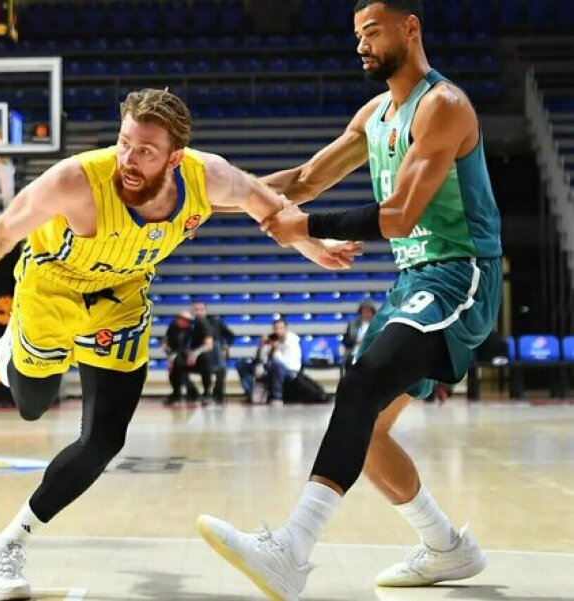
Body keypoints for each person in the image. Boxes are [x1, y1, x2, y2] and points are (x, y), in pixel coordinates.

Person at [0, 88, 360, 600]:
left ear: (175, 158)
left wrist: (313, 247)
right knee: (33, 406)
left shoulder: (209, 177)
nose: (129, 158)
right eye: (124, 143)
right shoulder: (77, 180)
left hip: (121, 296)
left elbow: (271, 206)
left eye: (145, 150)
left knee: (104, 440)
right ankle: (12, 347)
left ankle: (9, 543)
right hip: (51, 289)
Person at [196, 1, 502, 598]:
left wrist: (304, 226)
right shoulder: (375, 114)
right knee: (367, 428)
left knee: (361, 385)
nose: (361, 44)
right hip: (413, 281)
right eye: (357, 34)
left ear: (410, 28)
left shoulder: (443, 106)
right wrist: (205, 204)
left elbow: (399, 215)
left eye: (372, 31)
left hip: (459, 274)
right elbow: (305, 180)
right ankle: (445, 546)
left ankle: (291, 550)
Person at [237, 317, 302, 402]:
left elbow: (288, 363)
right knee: (242, 364)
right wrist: (262, 346)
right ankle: (251, 394)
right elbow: (261, 358)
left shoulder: (292, 342)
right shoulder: (273, 339)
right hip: (269, 367)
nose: (278, 331)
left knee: (275, 365)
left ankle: (277, 396)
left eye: (281, 328)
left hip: (290, 370)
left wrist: (275, 350)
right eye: (276, 329)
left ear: (285, 329)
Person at [192, 300, 234, 403]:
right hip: (197, 355)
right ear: (192, 311)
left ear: (205, 311)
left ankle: (217, 394)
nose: (199, 312)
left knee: (220, 364)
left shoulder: (216, 322)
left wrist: (226, 347)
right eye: (196, 310)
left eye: (201, 309)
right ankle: (196, 393)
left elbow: (231, 335)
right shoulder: (190, 325)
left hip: (215, 353)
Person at [342, 298, 377, 367]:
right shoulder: (352, 325)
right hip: (354, 355)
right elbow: (346, 341)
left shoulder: (378, 326)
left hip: (372, 355)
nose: (366, 314)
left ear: (373, 313)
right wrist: (355, 341)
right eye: (364, 311)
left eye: (369, 312)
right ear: (360, 312)